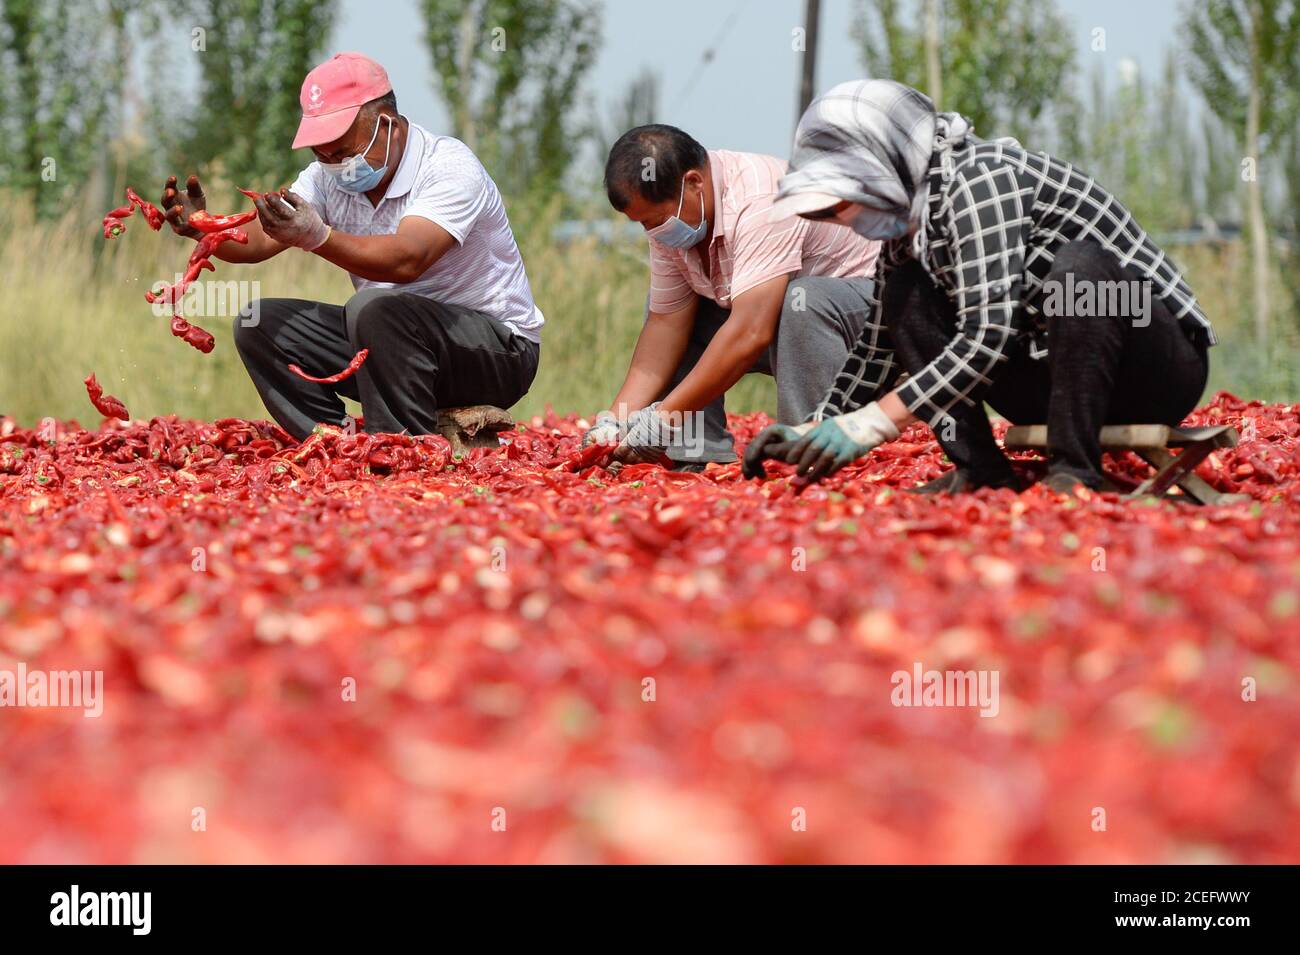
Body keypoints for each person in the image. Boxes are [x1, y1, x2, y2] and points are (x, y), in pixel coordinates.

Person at [743, 79, 1216, 492]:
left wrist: (875, 422)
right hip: (1053, 383)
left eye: (842, 201)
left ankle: (1075, 471)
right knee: (903, 293)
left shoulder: (981, 179)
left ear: (886, 161)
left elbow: (987, 336)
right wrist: (816, 426)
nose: (842, 219)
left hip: (1154, 368)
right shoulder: (909, 232)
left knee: (1080, 270)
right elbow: (877, 349)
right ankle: (982, 471)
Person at [159, 52, 542, 440]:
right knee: (260, 324)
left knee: (373, 308)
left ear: (387, 125)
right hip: (393, 347)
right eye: (321, 153)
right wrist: (204, 228)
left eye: (343, 150)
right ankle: (335, 443)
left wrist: (317, 237)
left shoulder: (448, 167)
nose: (333, 163)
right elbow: (256, 239)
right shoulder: (327, 178)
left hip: (495, 352)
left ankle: (398, 451)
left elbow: (408, 260)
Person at [585, 124, 881, 468]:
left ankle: (817, 449)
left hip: (866, 321)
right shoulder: (672, 224)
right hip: (789, 328)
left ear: (694, 183)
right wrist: (615, 421)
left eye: (657, 221)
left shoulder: (763, 199)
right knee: (690, 311)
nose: (653, 233)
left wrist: (664, 418)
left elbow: (751, 333)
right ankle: (698, 455)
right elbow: (666, 325)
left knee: (803, 298)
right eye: (643, 224)